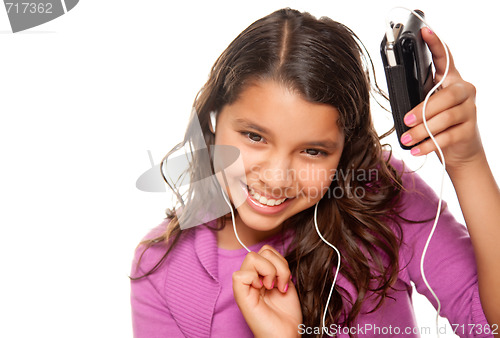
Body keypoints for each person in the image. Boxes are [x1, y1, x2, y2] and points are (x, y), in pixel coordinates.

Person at [130, 8, 500, 338]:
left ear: (344, 150)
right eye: (254, 136)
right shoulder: (164, 270)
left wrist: (466, 162)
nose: (276, 178)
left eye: (312, 151)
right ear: (213, 121)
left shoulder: (384, 197)